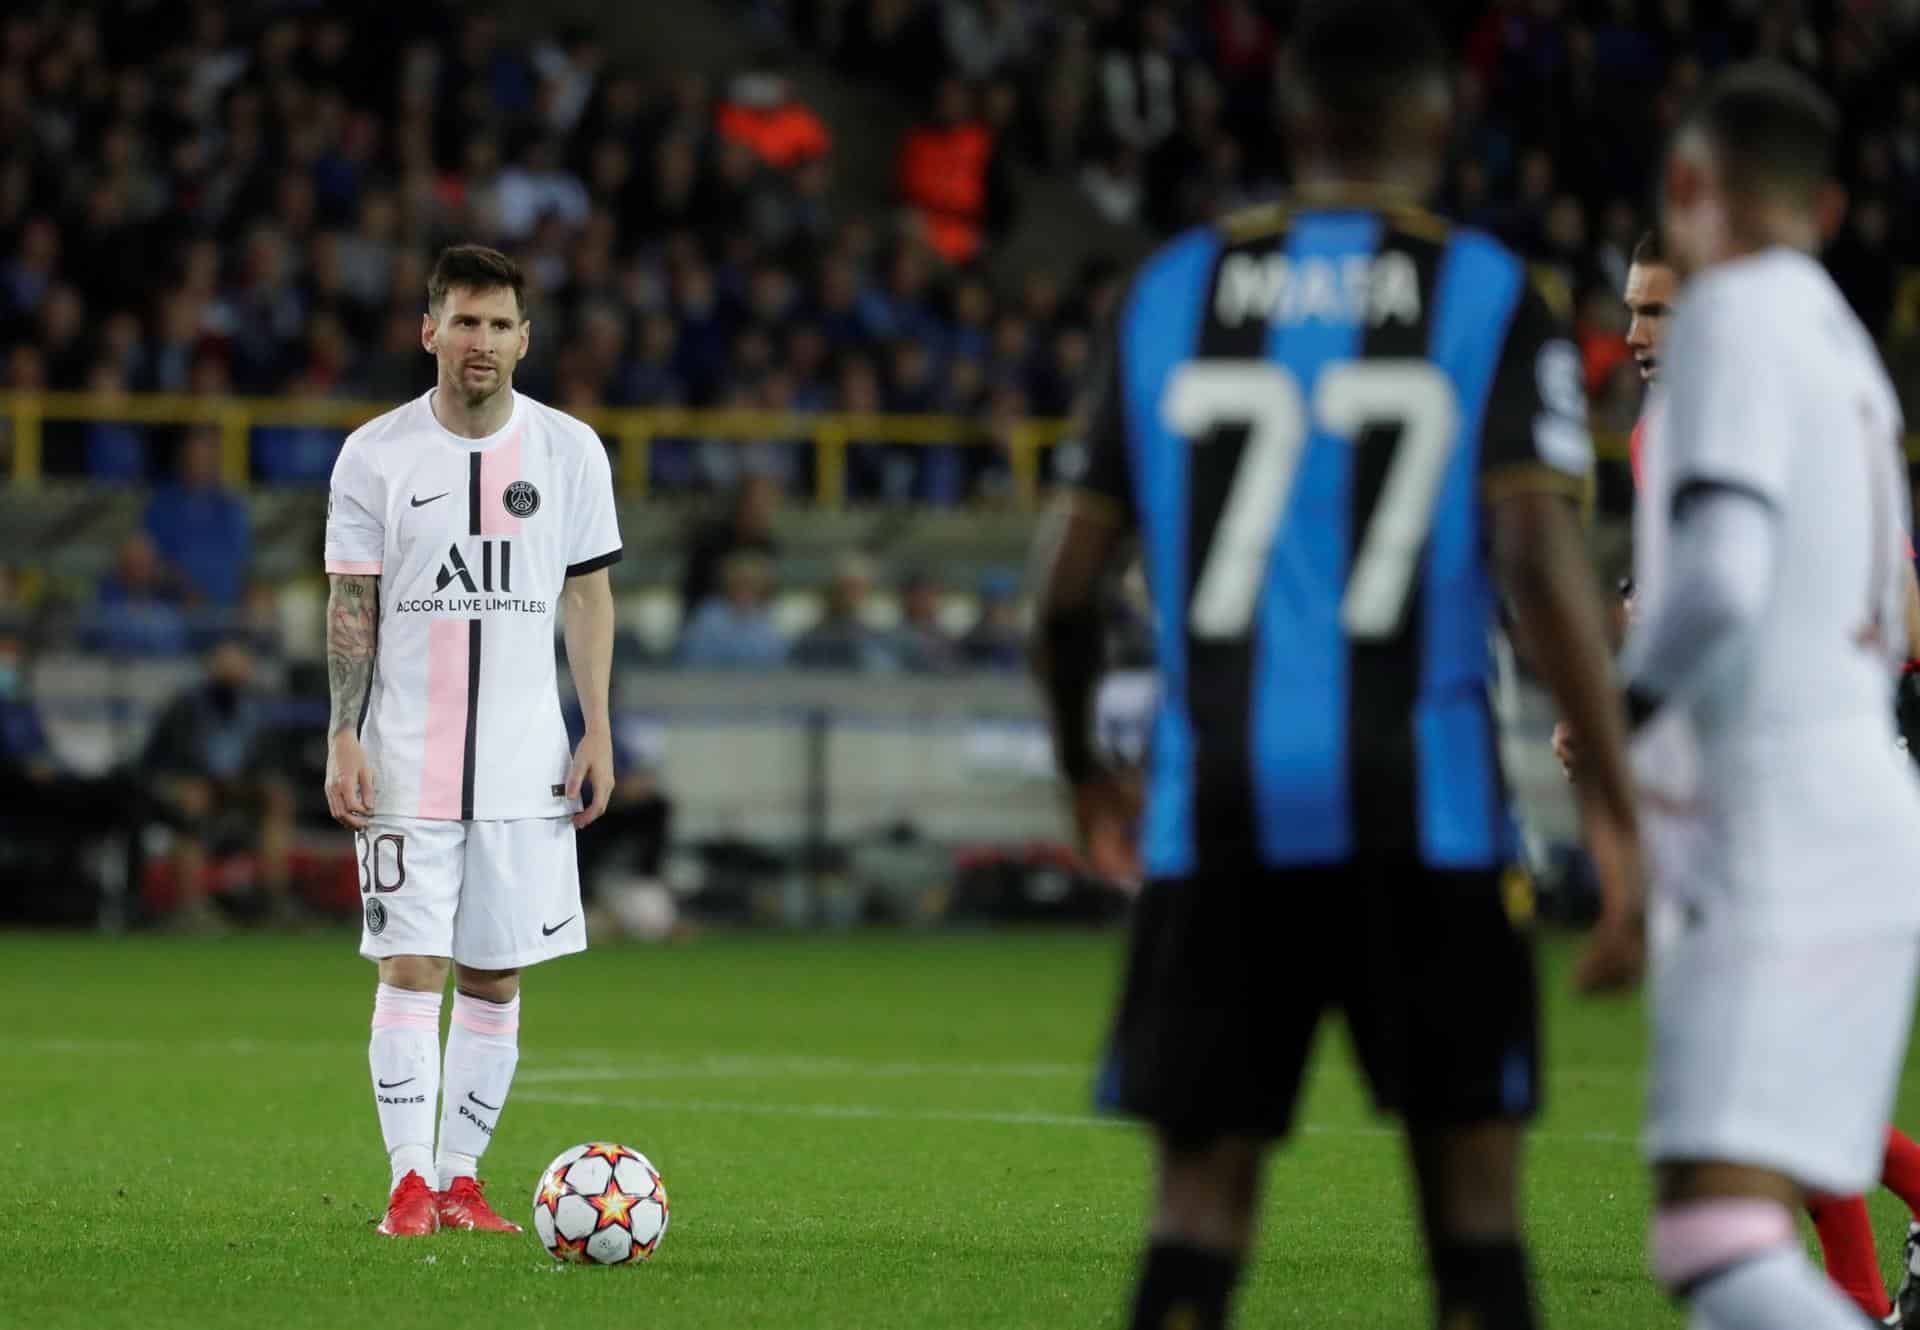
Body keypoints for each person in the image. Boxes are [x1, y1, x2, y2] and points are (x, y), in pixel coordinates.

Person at [1026, 4, 1644, 1327]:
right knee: (1475, 1216)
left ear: (1290, 124)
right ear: (1438, 124)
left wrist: (1086, 769)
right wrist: (1618, 810)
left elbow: (1063, 590)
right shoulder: (1489, 292)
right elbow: (1539, 558)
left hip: (1219, 812)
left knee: (1195, 1214)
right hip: (1432, 811)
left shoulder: (1169, 293)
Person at [1563, 228, 1920, 1324]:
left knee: (1751, 1106)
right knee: (1769, 1091)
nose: (1632, 334)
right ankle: (1860, 1291)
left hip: (1810, 786)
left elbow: (1896, 614)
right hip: (1755, 783)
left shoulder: (1774, 410)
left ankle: (1854, 1295)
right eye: (1631, 309)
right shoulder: (1673, 429)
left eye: (1657, 311)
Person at [322, 244, 621, 1237]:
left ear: (524, 340)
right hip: (405, 755)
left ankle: (459, 1178)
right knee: (411, 963)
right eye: (464, 320)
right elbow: (351, 600)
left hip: (526, 761)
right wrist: (343, 733)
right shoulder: (375, 453)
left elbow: (588, 591)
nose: (480, 341)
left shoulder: (571, 450)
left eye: (498, 324)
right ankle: (408, 1183)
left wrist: (597, 729)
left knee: (495, 974)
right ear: (429, 332)